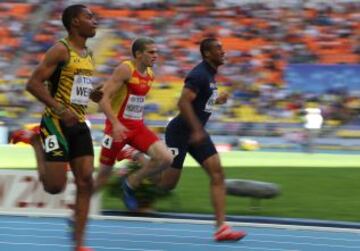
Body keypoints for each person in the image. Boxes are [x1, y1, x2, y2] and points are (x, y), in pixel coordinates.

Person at [97, 38, 247, 242]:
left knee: (217, 173)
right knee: (166, 184)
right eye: (218, 49)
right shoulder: (199, 74)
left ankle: (222, 227)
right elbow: (182, 102)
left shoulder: (210, 75)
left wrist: (217, 100)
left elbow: (200, 102)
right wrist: (195, 129)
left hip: (197, 133)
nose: (224, 52)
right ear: (207, 54)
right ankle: (137, 156)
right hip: (181, 132)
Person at [11, 4, 99, 251]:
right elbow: (33, 84)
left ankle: (79, 244)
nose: (94, 21)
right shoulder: (60, 50)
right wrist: (60, 110)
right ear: (74, 23)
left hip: (79, 123)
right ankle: (36, 142)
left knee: (86, 182)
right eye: (88, 17)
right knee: (54, 187)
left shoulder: (89, 54)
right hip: (55, 122)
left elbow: (75, 89)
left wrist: (92, 94)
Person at [95, 37, 173, 210]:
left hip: (137, 127)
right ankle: (78, 211)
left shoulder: (151, 74)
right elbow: (103, 101)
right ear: (138, 54)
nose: (155, 55)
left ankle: (130, 184)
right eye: (151, 52)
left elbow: (130, 98)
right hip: (117, 128)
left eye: (156, 52)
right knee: (103, 176)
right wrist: (115, 123)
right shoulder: (125, 69)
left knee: (166, 159)